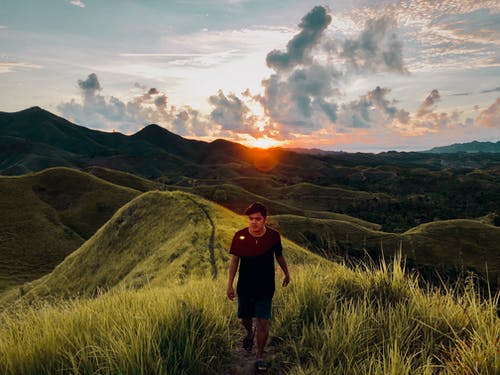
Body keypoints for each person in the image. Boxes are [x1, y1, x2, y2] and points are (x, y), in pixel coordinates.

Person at [226, 202, 290, 372]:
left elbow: (279, 256)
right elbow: (234, 261)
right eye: (251, 219)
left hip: (265, 286)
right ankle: (249, 333)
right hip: (245, 286)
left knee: (263, 321)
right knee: (245, 318)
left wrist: (287, 273)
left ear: (265, 220)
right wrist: (229, 285)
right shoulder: (239, 236)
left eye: (258, 219)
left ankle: (260, 355)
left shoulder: (273, 236)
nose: (254, 222)